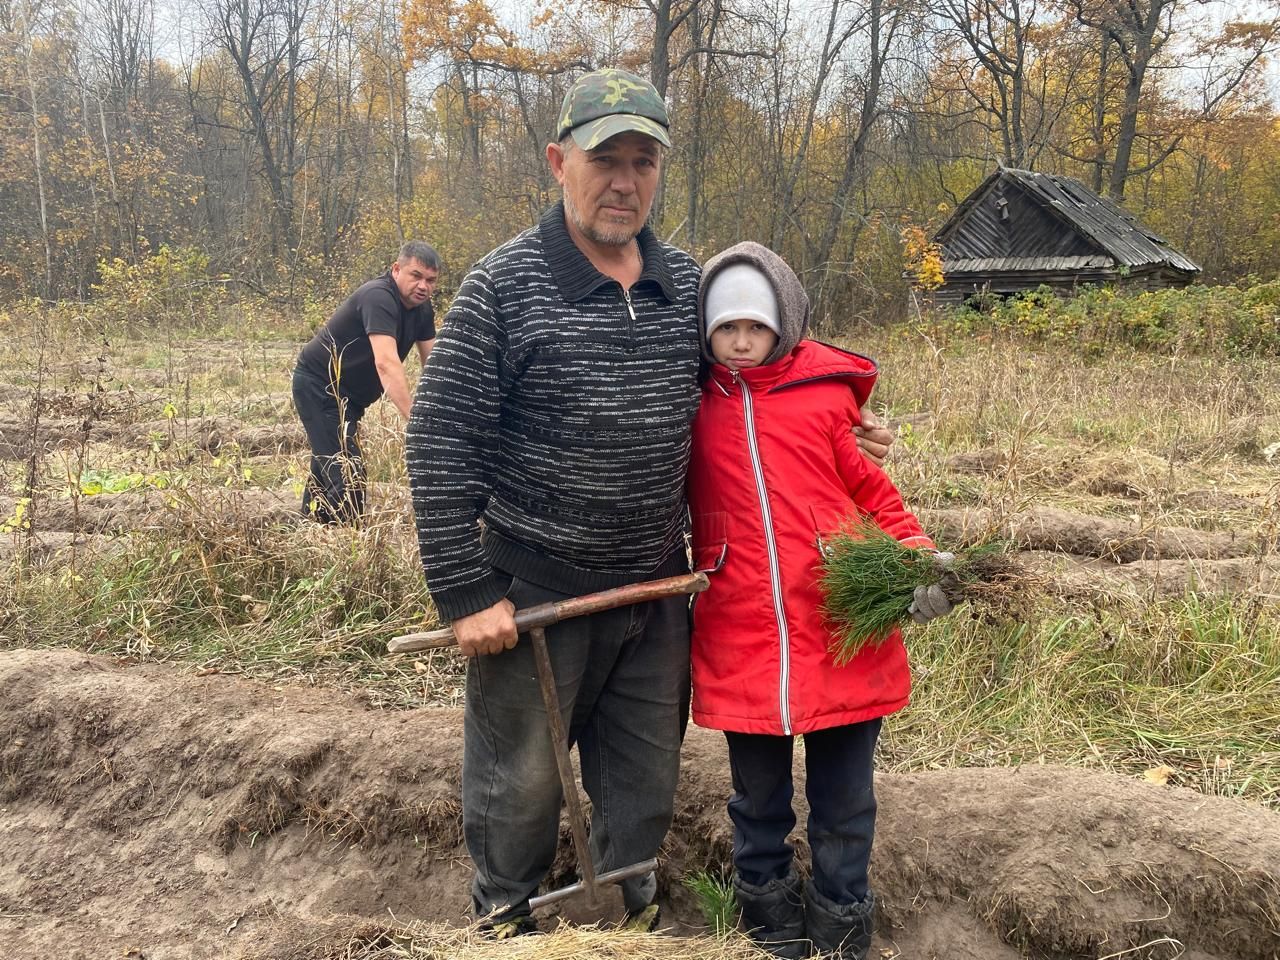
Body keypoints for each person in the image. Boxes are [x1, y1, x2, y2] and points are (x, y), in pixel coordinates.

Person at [405, 69, 895, 937]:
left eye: (644, 160)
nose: (624, 180)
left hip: (657, 596)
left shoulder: (684, 287)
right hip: (535, 597)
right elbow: (441, 446)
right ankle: (507, 928)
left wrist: (839, 425)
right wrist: (465, 593)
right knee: (518, 786)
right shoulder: (501, 290)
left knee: (641, 787)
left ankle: (621, 921)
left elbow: (755, 389)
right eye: (605, 160)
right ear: (559, 161)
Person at [686, 241, 954, 959]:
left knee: (844, 801)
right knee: (757, 801)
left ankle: (841, 925)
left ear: (785, 322)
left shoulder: (825, 397)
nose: (742, 341)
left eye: (756, 326)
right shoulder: (690, 403)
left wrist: (919, 561)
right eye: (726, 328)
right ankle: (768, 925)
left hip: (840, 626)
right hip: (741, 630)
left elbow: (874, 493)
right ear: (705, 331)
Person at [292, 241, 439, 523]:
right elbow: (386, 363)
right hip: (319, 387)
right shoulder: (378, 297)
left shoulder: (422, 309)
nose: (423, 286)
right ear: (396, 269)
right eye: (416, 275)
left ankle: (311, 532)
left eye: (431, 280)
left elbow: (433, 365)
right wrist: (416, 419)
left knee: (327, 469)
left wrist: (445, 409)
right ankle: (344, 546)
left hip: (350, 399)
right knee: (347, 474)